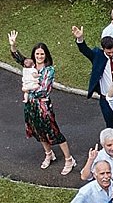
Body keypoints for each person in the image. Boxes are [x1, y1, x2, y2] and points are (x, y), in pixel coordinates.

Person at [8, 32, 77, 174]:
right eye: (37, 54)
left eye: (42, 54)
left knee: (54, 131)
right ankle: (48, 154)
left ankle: (69, 159)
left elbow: (43, 90)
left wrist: (27, 89)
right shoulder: (31, 65)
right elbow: (17, 57)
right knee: (37, 131)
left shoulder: (49, 70)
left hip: (43, 106)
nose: (39, 57)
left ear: (46, 56)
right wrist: (13, 45)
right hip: (31, 105)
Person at [73, 26, 113, 131]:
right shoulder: (97, 55)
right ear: (103, 49)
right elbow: (85, 50)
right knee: (111, 126)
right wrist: (80, 39)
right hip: (106, 98)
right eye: (108, 52)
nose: (111, 54)